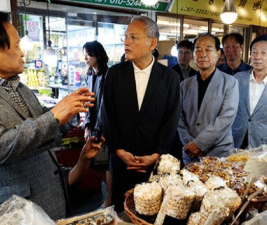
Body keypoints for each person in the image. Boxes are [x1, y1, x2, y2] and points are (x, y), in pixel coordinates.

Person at [0, 10, 103, 220]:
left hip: (47, 207)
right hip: (7, 215)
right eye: (17, 45)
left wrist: (72, 112)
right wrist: (55, 115)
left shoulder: (18, 86)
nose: (22, 53)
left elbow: (39, 125)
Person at [103, 16, 180, 212]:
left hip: (154, 163)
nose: (126, 42)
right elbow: (108, 116)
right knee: (122, 212)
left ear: (152, 43)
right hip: (122, 162)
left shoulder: (169, 77)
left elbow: (171, 119)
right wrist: (119, 151)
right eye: (126, 36)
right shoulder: (114, 74)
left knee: (151, 212)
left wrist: (156, 154)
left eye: (133, 37)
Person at [178, 33, 239, 164]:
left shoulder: (229, 82)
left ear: (218, 53)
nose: (202, 54)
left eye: (208, 49)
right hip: (190, 154)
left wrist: (199, 144)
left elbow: (226, 118)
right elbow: (179, 117)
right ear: (193, 55)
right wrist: (190, 144)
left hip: (218, 154)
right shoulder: (185, 84)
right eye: (198, 49)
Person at [232, 35, 267, 148]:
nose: (257, 57)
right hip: (236, 142)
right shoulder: (237, 79)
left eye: (263, 53)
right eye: (254, 52)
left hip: (262, 145)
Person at [82, 40, 112, 207]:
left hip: (104, 127)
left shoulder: (108, 74)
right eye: (84, 54)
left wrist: (99, 130)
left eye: (88, 53)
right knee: (93, 163)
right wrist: (87, 125)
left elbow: (105, 106)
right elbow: (88, 103)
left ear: (97, 54)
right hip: (92, 125)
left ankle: (110, 198)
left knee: (105, 163)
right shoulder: (89, 75)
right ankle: (110, 192)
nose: (85, 57)